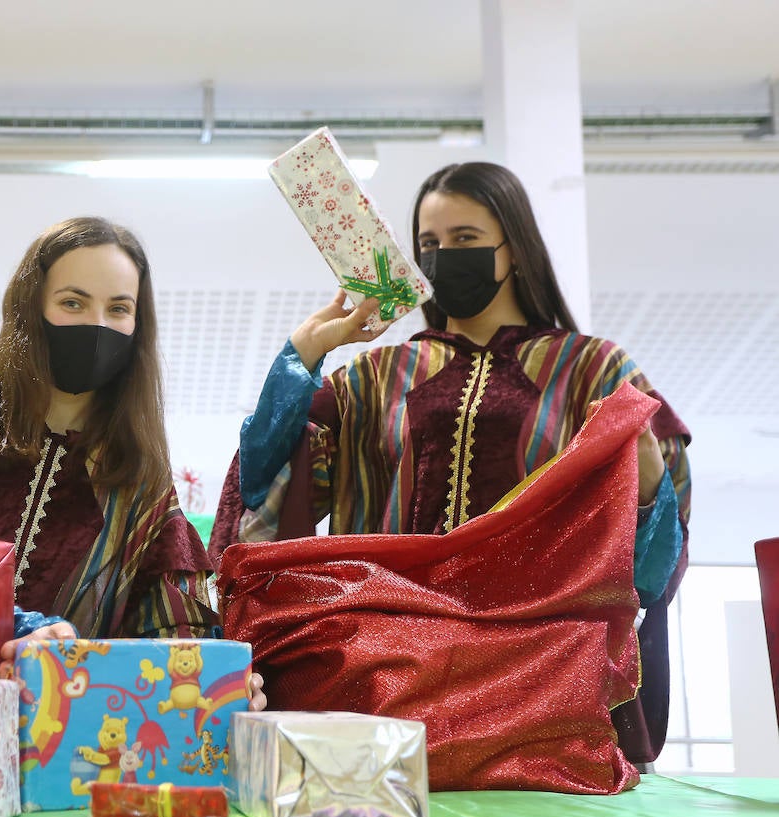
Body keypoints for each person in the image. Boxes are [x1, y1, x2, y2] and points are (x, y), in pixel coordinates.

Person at [210, 162, 688, 749]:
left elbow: (657, 548)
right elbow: (263, 491)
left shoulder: (594, 373)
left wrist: (647, 487)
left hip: (535, 676)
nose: (443, 256)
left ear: (516, 248)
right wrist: (301, 359)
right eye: (429, 244)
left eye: (465, 239)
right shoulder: (373, 379)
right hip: (383, 675)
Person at [0, 216, 264, 706]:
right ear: (31, 308)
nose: (96, 324)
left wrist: (220, 679)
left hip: (78, 743)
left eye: (118, 309)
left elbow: (177, 629)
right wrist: (25, 630)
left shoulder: (140, 479)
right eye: (73, 302)